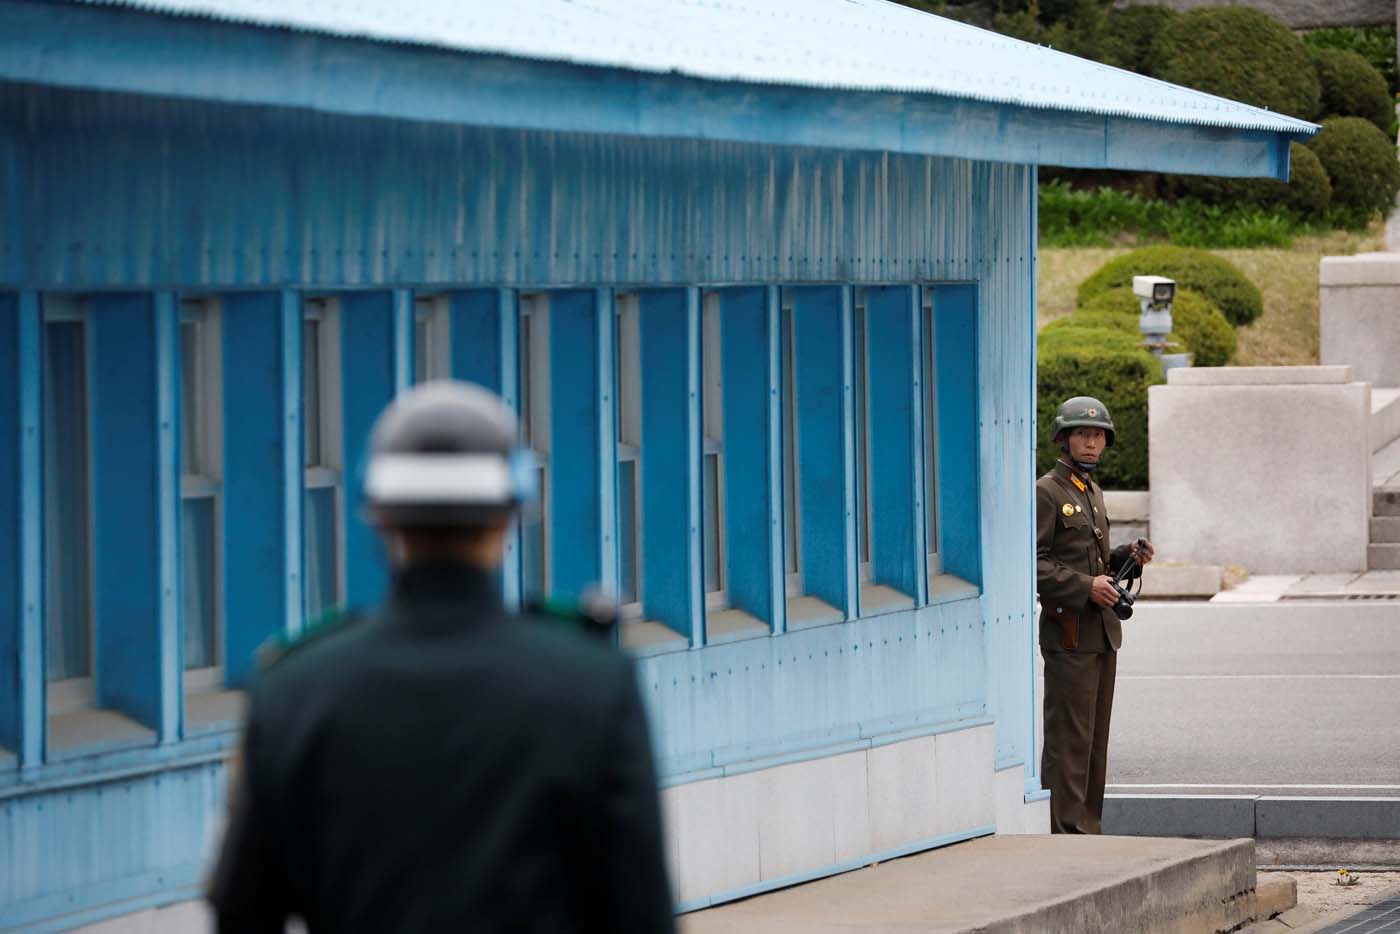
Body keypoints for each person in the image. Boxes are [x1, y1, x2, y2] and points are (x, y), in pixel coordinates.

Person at [208, 381, 676, 933]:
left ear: (380, 516)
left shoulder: (295, 687)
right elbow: (641, 912)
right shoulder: (593, 684)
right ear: (510, 514)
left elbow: (242, 911)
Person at [1035, 395, 1154, 834]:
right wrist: (1086, 587)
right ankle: (1066, 833)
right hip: (1068, 634)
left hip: (1100, 634)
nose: (1091, 443)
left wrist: (1126, 558)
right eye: (1083, 434)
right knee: (1070, 741)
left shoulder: (1090, 491)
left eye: (1098, 435)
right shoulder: (1047, 492)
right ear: (1064, 439)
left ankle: (1088, 829)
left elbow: (1092, 559)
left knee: (1094, 744)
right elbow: (1033, 562)